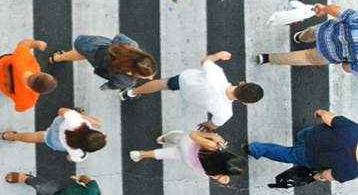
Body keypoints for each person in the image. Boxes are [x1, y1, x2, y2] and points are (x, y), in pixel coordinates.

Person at [125, 51, 261, 128]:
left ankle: (131, 92)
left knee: (162, 84)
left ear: (242, 83)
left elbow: (205, 61)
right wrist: (205, 124)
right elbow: (213, 125)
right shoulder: (225, 113)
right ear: (245, 102)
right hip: (191, 97)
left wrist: (219, 55)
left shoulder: (218, 74)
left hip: (185, 80)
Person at [245, 108, 358, 184]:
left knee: (306, 134)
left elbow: (330, 119)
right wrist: (319, 176)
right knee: (287, 154)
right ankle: (255, 149)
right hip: (311, 157)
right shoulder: (352, 172)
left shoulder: (354, 130)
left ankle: (300, 135)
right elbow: (327, 175)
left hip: (315, 135)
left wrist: (321, 112)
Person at [259, 2, 358, 75]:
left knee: (311, 32)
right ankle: (268, 58)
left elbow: (335, 11)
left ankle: (299, 37)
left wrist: (324, 8)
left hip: (324, 31)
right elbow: (346, 68)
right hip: (328, 54)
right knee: (307, 57)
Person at [49, 34, 157, 97]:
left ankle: (57, 57)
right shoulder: (126, 80)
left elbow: (118, 37)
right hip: (97, 60)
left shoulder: (131, 46)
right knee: (84, 55)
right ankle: (58, 58)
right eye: (146, 76)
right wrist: (107, 87)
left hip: (95, 45)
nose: (150, 78)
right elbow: (114, 84)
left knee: (82, 52)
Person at [130, 130, 246, 185]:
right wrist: (225, 177)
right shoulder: (215, 172)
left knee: (178, 137)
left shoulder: (212, 147)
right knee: (170, 154)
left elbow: (194, 135)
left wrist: (212, 136)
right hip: (190, 161)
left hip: (187, 145)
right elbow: (224, 181)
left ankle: (163, 139)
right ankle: (141, 154)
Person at [0, 39, 56, 112]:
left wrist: (37, 44)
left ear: (38, 73)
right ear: (37, 91)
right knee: (5, 83)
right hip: (7, 87)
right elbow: (18, 109)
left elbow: (23, 44)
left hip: (0, 66)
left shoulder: (24, 61)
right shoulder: (29, 100)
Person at [0, 107, 105, 162]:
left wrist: (85, 118)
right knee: (37, 138)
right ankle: (10, 136)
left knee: (71, 115)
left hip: (60, 126)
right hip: (57, 141)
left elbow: (61, 110)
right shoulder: (80, 154)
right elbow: (69, 158)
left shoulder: (77, 122)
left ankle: (8, 135)